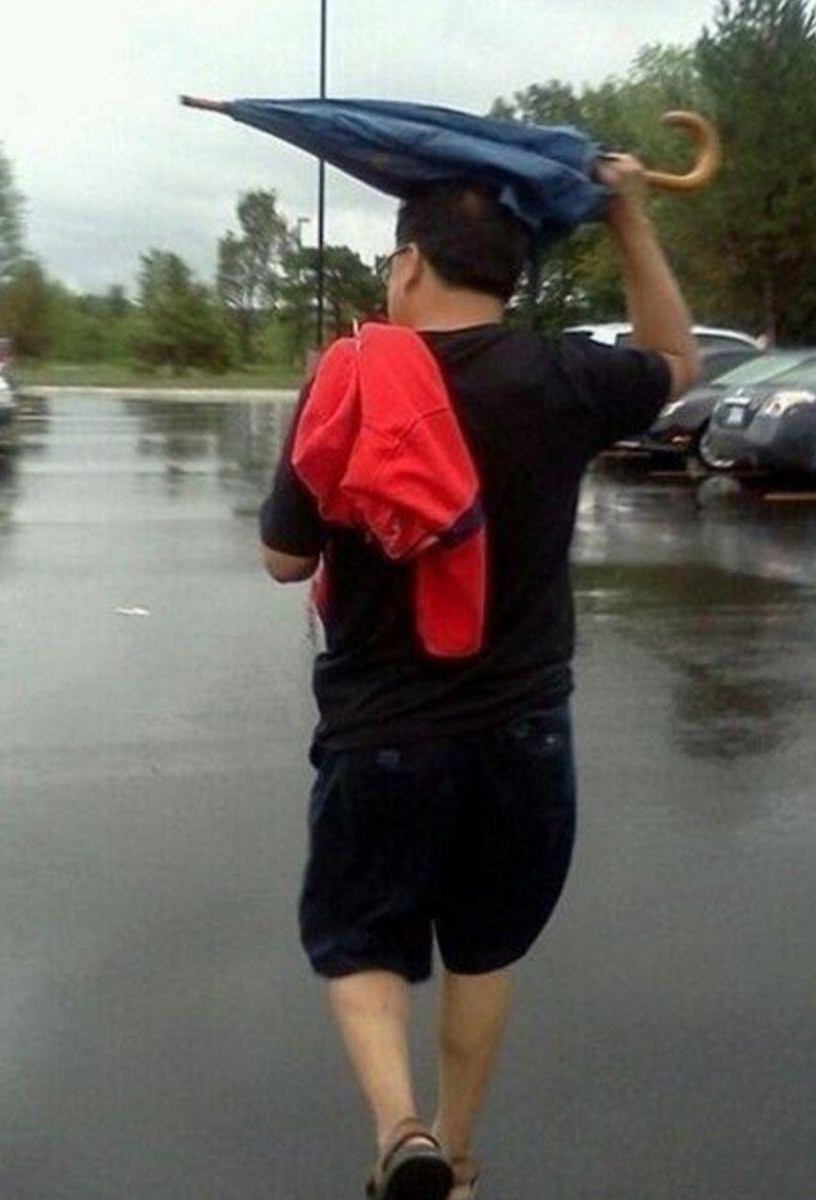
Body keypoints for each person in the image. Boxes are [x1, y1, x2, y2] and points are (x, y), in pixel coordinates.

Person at [259, 154, 700, 1200]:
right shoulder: (564, 377)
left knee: (360, 940)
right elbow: (677, 357)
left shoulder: (350, 380)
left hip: (382, 729)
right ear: (512, 277)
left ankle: (398, 1129)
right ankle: (455, 1157)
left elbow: (285, 558)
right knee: (485, 946)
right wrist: (628, 218)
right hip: (524, 729)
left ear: (410, 265)